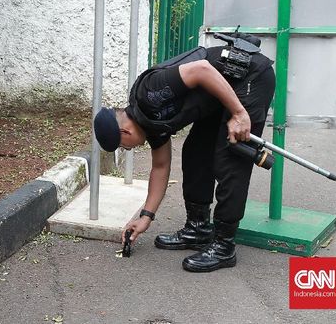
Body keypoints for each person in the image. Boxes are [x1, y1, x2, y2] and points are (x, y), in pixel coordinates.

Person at [94, 35, 275, 272]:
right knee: (195, 153)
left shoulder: (150, 92)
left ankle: (223, 245)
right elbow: (160, 168)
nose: (129, 149)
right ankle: (198, 228)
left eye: (124, 146)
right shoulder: (149, 123)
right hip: (218, 94)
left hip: (250, 77)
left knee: (230, 160)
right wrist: (145, 217)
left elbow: (201, 69)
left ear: (124, 131)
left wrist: (240, 114)